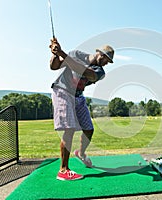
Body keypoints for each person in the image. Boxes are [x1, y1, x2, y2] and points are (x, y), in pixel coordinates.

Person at [49, 38, 114, 181]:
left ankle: (81, 153)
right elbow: (54, 67)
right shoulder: (75, 54)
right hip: (63, 91)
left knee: (89, 129)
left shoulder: (100, 71)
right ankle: (63, 170)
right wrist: (55, 53)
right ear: (100, 54)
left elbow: (84, 71)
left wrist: (61, 53)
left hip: (78, 96)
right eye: (106, 59)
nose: (106, 63)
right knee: (69, 128)